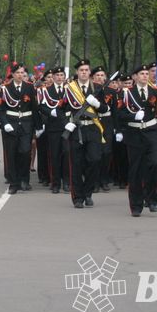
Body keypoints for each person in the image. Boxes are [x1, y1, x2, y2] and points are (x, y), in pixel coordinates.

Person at [117, 64, 157, 216]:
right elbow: (119, 114)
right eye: (141, 74)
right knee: (136, 170)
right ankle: (136, 205)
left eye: (146, 74)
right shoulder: (126, 93)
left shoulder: (155, 92)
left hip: (152, 131)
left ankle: (150, 197)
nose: (144, 76)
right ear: (135, 77)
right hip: (134, 133)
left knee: (156, 164)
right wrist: (132, 116)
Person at [63, 59, 107, 208]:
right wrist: (66, 123)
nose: (84, 72)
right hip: (76, 129)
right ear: (77, 72)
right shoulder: (69, 88)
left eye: (86, 70)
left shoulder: (98, 87)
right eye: (81, 70)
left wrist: (96, 104)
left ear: (90, 72)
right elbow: (60, 109)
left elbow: (105, 109)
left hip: (93, 129)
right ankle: (78, 197)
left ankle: (88, 192)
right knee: (76, 164)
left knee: (94, 160)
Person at [0, 63, 40, 194]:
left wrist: (38, 126)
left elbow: (34, 107)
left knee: (25, 152)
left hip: (26, 124)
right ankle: (14, 183)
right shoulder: (5, 89)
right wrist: (4, 123)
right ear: (13, 74)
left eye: (22, 73)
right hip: (11, 124)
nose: (20, 75)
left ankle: (24, 179)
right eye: (18, 73)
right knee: (12, 154)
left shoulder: (30, 87)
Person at [38, 67, 67, 193]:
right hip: (53, 127)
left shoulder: (70, 90)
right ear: (53, 77)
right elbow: (42, 106)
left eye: (62, 75)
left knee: (66, 154)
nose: (59, 77)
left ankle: (66, 182)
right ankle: (55, 183)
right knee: (54, 155)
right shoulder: (46, 90)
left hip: (67, 126)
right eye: (57, 75)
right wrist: (51, 112)